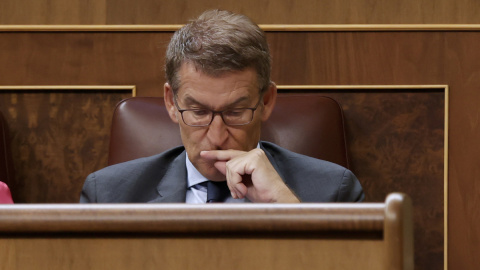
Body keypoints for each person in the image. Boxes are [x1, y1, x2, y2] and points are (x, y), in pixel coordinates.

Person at [80, 10, 364, 203]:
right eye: (199, 112)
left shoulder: (333, 190)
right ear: (171, 102)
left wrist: (285, 207)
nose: (216, 136)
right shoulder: (108, 195)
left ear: (266, 102)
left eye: (234, 112)